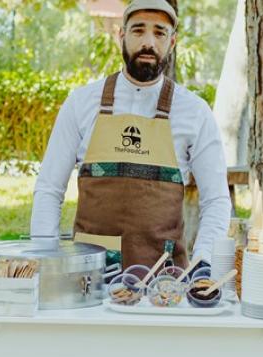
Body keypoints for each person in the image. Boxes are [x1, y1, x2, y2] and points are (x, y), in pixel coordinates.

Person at [30, 0, 230, 270]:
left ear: (172, 42)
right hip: (91, 278)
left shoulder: (194, 112)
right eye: (138, 30)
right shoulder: (81, 102)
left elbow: (216, 200)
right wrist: (45, 260)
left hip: (164, 282)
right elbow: (49, 189)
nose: (148, 42)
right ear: (121, 36)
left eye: (160, 32)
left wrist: (205, 260)